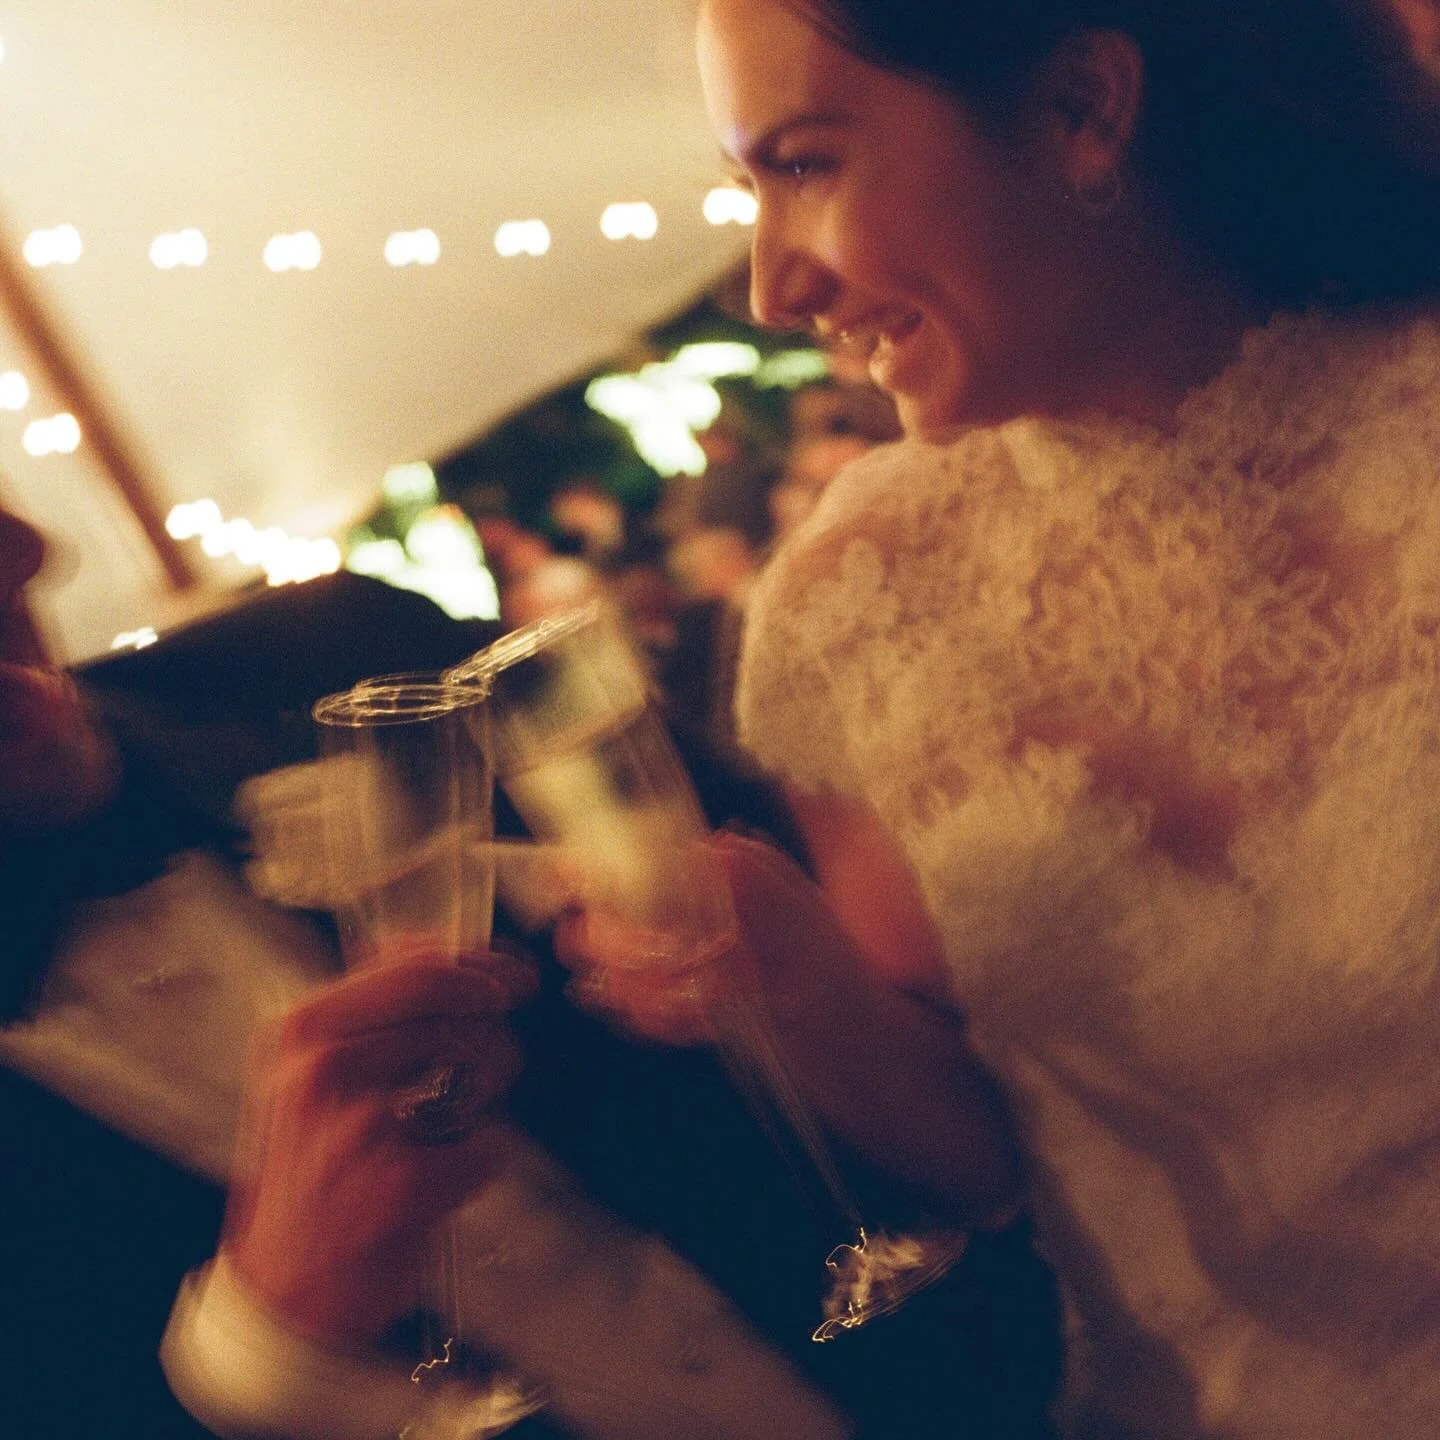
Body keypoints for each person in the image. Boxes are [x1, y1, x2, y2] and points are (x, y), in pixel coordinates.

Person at [575, 1, 1440, 1437]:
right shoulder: (853, 611)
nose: (773, 285)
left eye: (804, 165)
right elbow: (989, 1156)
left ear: (1081, 111)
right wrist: (794, 988)